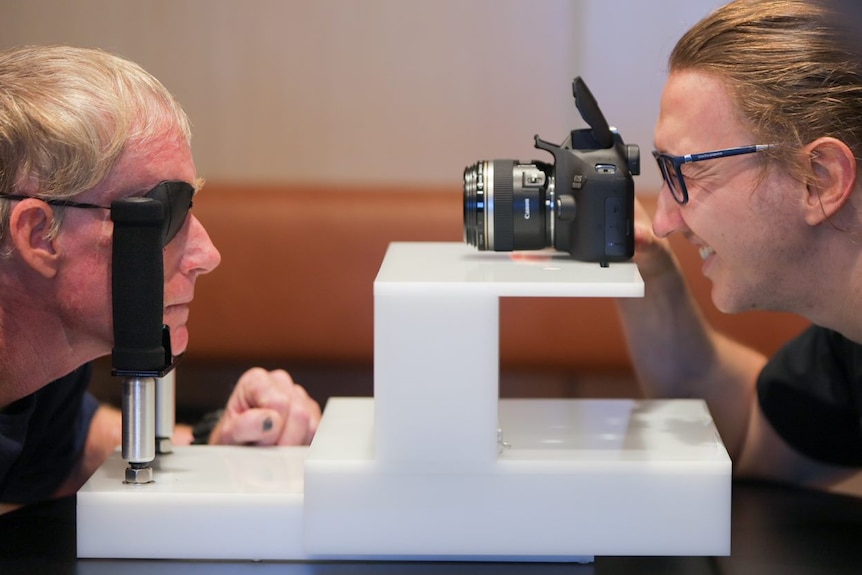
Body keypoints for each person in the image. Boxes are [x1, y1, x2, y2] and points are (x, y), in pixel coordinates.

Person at [0, 45, 320, 510]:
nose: (207, 255)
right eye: (163, 216)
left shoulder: (45, 356)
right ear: (40, 236)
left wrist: (220, 446)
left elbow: (70, 450)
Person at [617, 0, 862, 490]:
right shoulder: (847, 344)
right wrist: (650, 273)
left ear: (819, 180)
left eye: (689, 170)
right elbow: (747, 434)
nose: (664, 221)